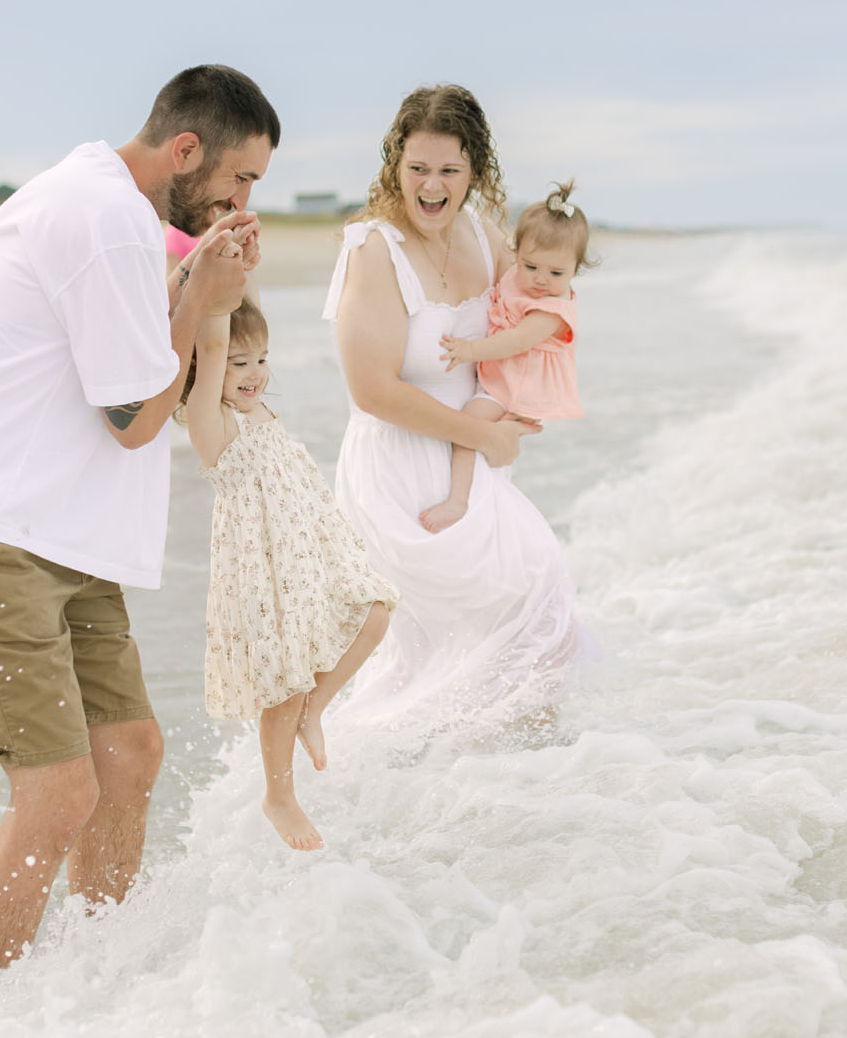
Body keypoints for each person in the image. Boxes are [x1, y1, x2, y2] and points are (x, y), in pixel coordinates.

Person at [0, 63, 280, 1020]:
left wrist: (195, 282)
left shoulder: (130, 221)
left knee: (131, 753)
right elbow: (136, 414)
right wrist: (205, 297)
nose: (243, 199)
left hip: (59, 535)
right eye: (242, 178)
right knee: (58, 793)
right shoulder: (97, 218)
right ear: (186, 150)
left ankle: (94, 997)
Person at [323, 84, 586, 725]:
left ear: (475, 171)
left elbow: (536, 306)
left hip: (471, 455)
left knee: (539, 615)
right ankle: (383, 780)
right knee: (431, 654)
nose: (432, 186)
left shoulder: (480, 231)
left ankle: (518, 797)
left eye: (449, 170)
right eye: (418, 168)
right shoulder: (372, 249)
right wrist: (491, 439)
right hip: (400, 461)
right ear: (396, 165)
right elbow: (373, 390)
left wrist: (521, 403)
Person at [180, 297, 397, 852]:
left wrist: (236, 274)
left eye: (261, 359)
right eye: (238, 362)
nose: (255, 374)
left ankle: (314, 713)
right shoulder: (211, 417)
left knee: (374, 613)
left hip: (306, 550)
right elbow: (208, 341)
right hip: (260, 566)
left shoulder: (256, 410)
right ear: (207, 368)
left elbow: (232, 315)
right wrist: (214, 277)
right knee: (285, 679)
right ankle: (279, 795)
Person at [420, 181, 590, 534]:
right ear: (518, 254)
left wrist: (470, 350)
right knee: (483, 434)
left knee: (468, 423)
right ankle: (497, 455)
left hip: (520, 387)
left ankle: (458, 500)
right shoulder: (518, 276)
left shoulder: (553, 311)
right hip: (505, 379)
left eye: (556, 273)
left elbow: (514, 341)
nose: (541, 280)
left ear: (576, 270)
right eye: (531, 267)